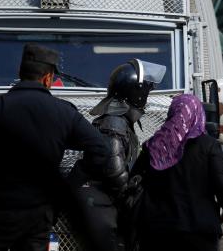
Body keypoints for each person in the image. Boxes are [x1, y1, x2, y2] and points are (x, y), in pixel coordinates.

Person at [0, 44, 110, 251]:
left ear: (21, 74)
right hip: (40, 213)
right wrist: (70, 184)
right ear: (48, 78)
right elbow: (101, 151)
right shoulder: (64, 113)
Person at [67, 59, 166, 251]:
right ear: (134, 93)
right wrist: (134, 199)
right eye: (145, 91)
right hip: (102, 208)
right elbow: (114, 171)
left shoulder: (119, 121)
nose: (146, 97)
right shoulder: (114, 122)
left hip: (105, 206)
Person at [132, 94, 223, 251]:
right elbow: (222, 184)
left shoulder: (153, 145)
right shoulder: (208, 146)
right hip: (200, 230)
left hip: (158, 231)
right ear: (198, 114)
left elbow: (135, 180)